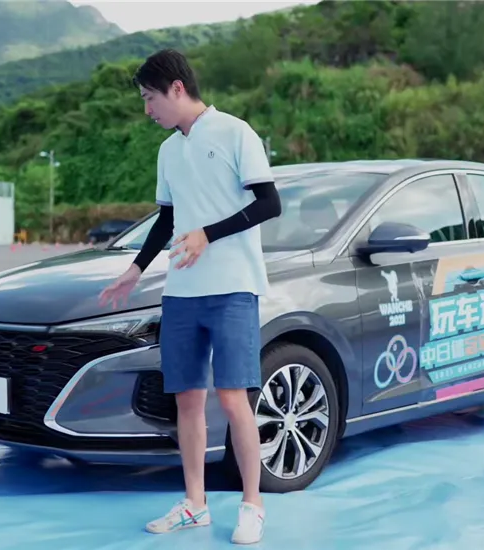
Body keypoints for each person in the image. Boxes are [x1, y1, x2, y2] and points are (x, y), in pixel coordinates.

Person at [98, 49, 282, 545]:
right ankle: (195, 504)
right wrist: (135, 269)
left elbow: (270, 203)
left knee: (234, 398)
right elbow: (166, 219)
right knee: (187, 400)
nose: (147, 109)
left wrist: (208, 234)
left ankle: (252, 505)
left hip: (233, 287)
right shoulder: (168, 151)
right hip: (182, 292)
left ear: (176, 88)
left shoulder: (235, 132)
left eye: (149, 97)